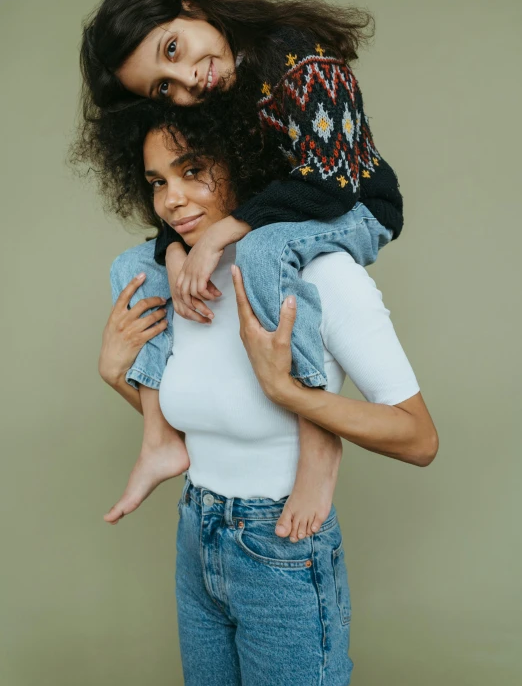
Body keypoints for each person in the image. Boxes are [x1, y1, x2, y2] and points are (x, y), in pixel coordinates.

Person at [90, 101, 437, 685]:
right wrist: (115, 374)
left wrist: (294, 395)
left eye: (192, 170)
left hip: (280, 548)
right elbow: (204, 426)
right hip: (198, 536)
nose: (172, 198)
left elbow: (419, 438)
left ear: (244, 163)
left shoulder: (317, 274)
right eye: (157, 182)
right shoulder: (174, 279)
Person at [78, 0, 404, 540]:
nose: (186, 82)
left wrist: (215, 237)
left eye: (173, 50)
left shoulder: (297, 56)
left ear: (192, 7)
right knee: (130, 268)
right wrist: (176, 249)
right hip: (281, 213)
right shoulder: (220, 87)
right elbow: (204, 183)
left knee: (262, 246)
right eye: (163, 87)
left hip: (355, 205)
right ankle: (159, 438)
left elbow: (330, 183)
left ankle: (317, 440)